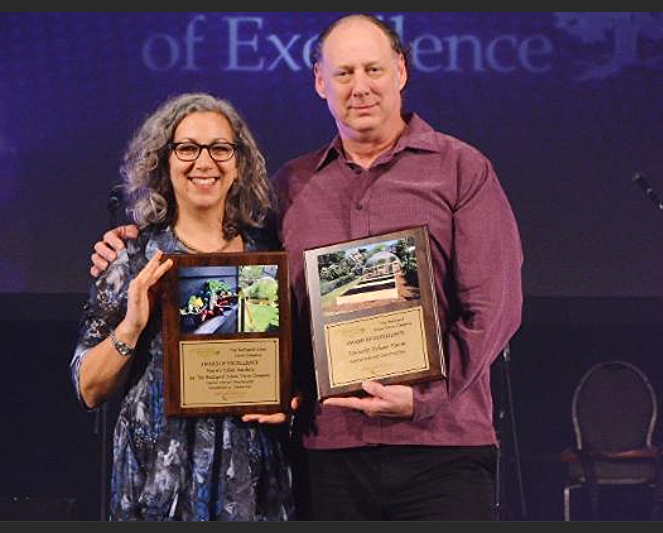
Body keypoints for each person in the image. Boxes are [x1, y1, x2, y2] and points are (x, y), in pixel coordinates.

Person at [91, 14, 523, 521]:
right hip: (328, 455)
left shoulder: (461, 169)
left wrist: (428, 396)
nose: (359, 87)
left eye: (373, 70)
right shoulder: (291, 187)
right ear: (320, 81)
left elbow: (494, 307)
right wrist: (130, 241)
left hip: (440, 449)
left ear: (401, 72)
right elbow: (263, 294)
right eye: (343, 73)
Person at [71, 92, 294, 521]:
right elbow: (88, 389)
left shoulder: (268, 257)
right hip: (158, 480)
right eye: (187, 148)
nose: (204, 163)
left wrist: (288, 400)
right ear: (164, 161)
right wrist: (131, 328)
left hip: (249, 479)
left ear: (239, 163)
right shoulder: (133, 257)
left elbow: (291, 373)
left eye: (220, 148)